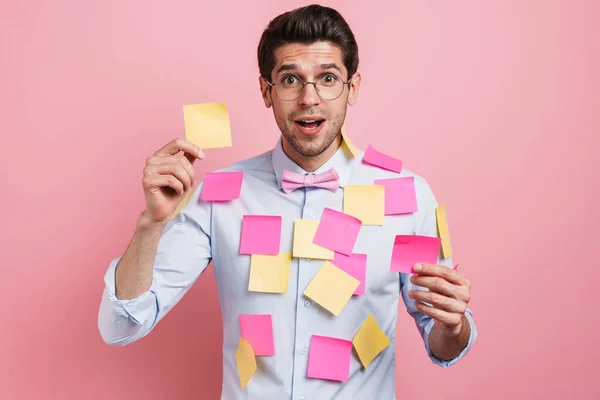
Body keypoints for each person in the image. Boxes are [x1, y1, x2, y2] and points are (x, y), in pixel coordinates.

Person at [98, 4, 477, 399]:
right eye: (291, 79)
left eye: (327, 78)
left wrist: (452, 325)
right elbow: (121, 327)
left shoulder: (410, 196)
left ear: (353, 87)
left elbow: (444, 344)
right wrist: (151, 224)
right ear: (267, 91)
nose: (309, 98)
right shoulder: (217, 195)